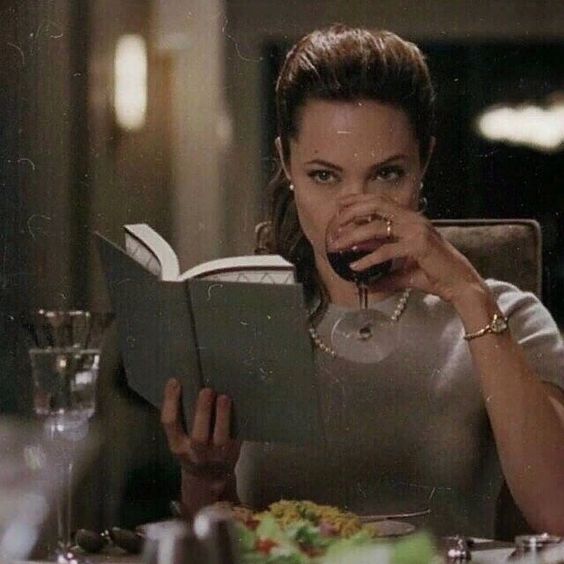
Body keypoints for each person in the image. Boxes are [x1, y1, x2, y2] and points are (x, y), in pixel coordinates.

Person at [160, 24, 564, 537]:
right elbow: (223, 541)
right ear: (286, 163)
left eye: (387, 174)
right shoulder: (245, 322)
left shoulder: (507, 315)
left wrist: (469, 295)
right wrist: (206, 476)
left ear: (423, 163)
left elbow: (559, 513)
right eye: (324, 176)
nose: (358, 209)